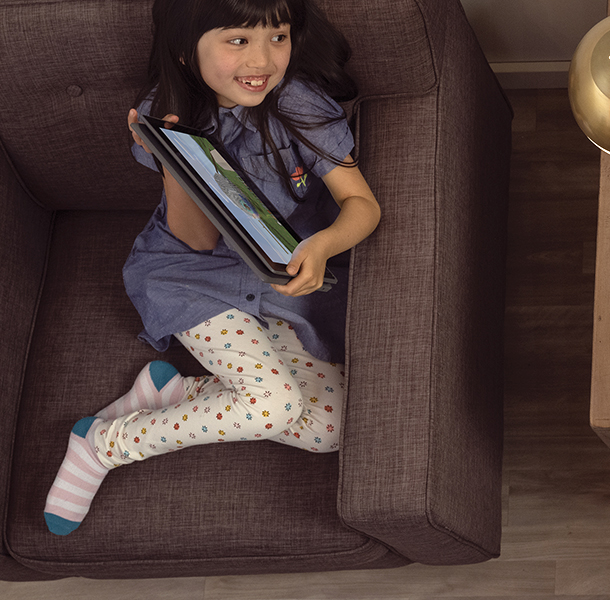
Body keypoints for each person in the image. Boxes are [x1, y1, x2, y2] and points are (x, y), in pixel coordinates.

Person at [43, 0, 380, 536]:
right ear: (185, 51)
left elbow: (363, 205)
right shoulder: (166, 110)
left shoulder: (297, 103)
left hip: (277, 280)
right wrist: (172, 163)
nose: (264, 59)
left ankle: (181, 392)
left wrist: (324, 244)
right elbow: (196, 240)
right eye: (239, 41)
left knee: (330, 428)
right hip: (190, 275)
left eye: (278, 37)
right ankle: (103, 445)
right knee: (272, 405)